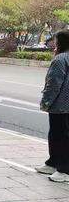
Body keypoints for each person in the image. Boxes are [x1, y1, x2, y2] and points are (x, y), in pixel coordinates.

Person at [38, 29, 69, 182]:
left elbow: (53, 84)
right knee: (60, 135)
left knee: (59, 135)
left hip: (61, 105)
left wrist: (45, 102)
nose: (53, 44)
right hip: (64, 105)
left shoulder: (60, 59)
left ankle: (63, 170)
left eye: (56, 41)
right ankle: (54, 163)